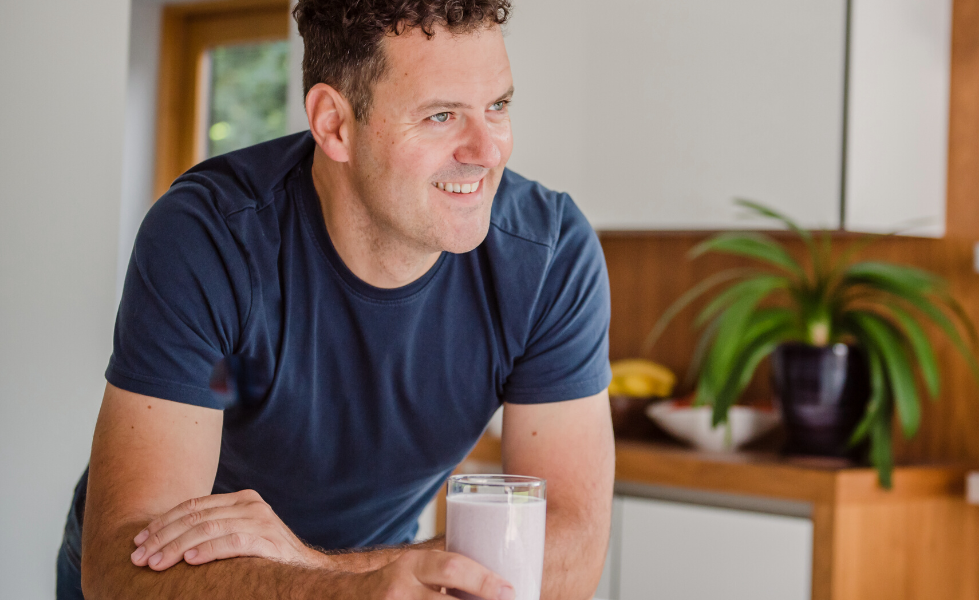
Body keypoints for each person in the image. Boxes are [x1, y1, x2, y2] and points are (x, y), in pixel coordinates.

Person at [56, 1, 615, 598]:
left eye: (498, 106)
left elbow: (569, 551)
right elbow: (121, 570)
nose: (487, 150)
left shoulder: (548, 256)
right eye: (441, 115)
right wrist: (346, 586)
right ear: (334, 125)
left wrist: (328, 572)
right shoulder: (208, 236)